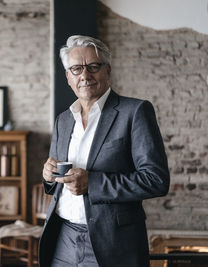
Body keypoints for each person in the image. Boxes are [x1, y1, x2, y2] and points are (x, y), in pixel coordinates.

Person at [39, 35, 170, 267]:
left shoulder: (135, 111)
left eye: (93, 66)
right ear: (68, 77)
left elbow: (156, 180)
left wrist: (93, 183)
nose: (85, 76)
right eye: (76, 69)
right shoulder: (63, 120)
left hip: (111, 243)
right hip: (62, 238)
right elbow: (57, 181)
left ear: (107, 70)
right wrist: (48, 176)